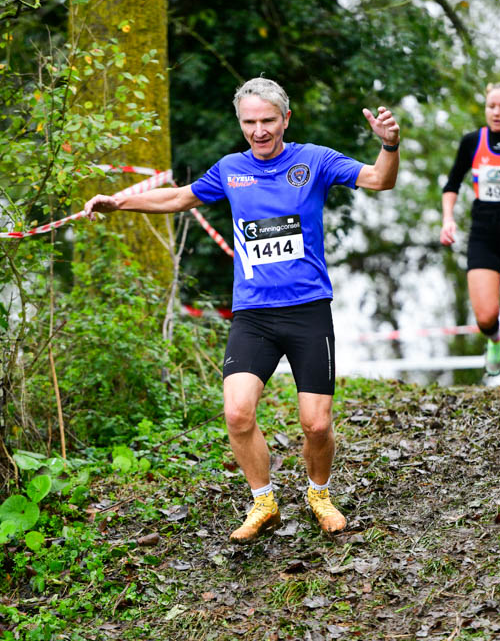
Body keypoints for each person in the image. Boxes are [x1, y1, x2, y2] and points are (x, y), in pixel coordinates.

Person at [84, 77, 400, 543]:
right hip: (253, 314)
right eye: (249, 122)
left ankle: (319, 494)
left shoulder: (314, 160)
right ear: (240, 123)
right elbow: (179, 197)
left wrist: (389, 145)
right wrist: (121, 203)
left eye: (268, 120)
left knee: (316, 424)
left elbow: (379, 179)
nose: (259, 130)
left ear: (285, 119)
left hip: (308, 309)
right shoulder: (230, 169)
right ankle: (264, 502)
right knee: (236, 413)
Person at [440, 82, 500, 385]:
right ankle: (493, 341)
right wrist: (447, 219)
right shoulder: (472, 141)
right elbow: (452, 184)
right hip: (483, 235)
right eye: (491, 106)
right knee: (485, 316)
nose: (496, 112)